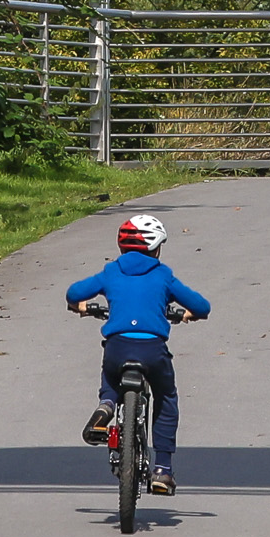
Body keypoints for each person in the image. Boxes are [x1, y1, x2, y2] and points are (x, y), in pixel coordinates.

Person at [59, 209, 208, 495]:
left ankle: (106, 406)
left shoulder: (111, 271)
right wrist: (189, 314)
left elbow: (74, 293)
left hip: (118, 347)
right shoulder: (163, 275)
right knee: (166, 397)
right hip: (152, 350)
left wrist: (81, 307)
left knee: (111, 375)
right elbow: (202, 306)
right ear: (155, 248)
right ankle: (163, 470)